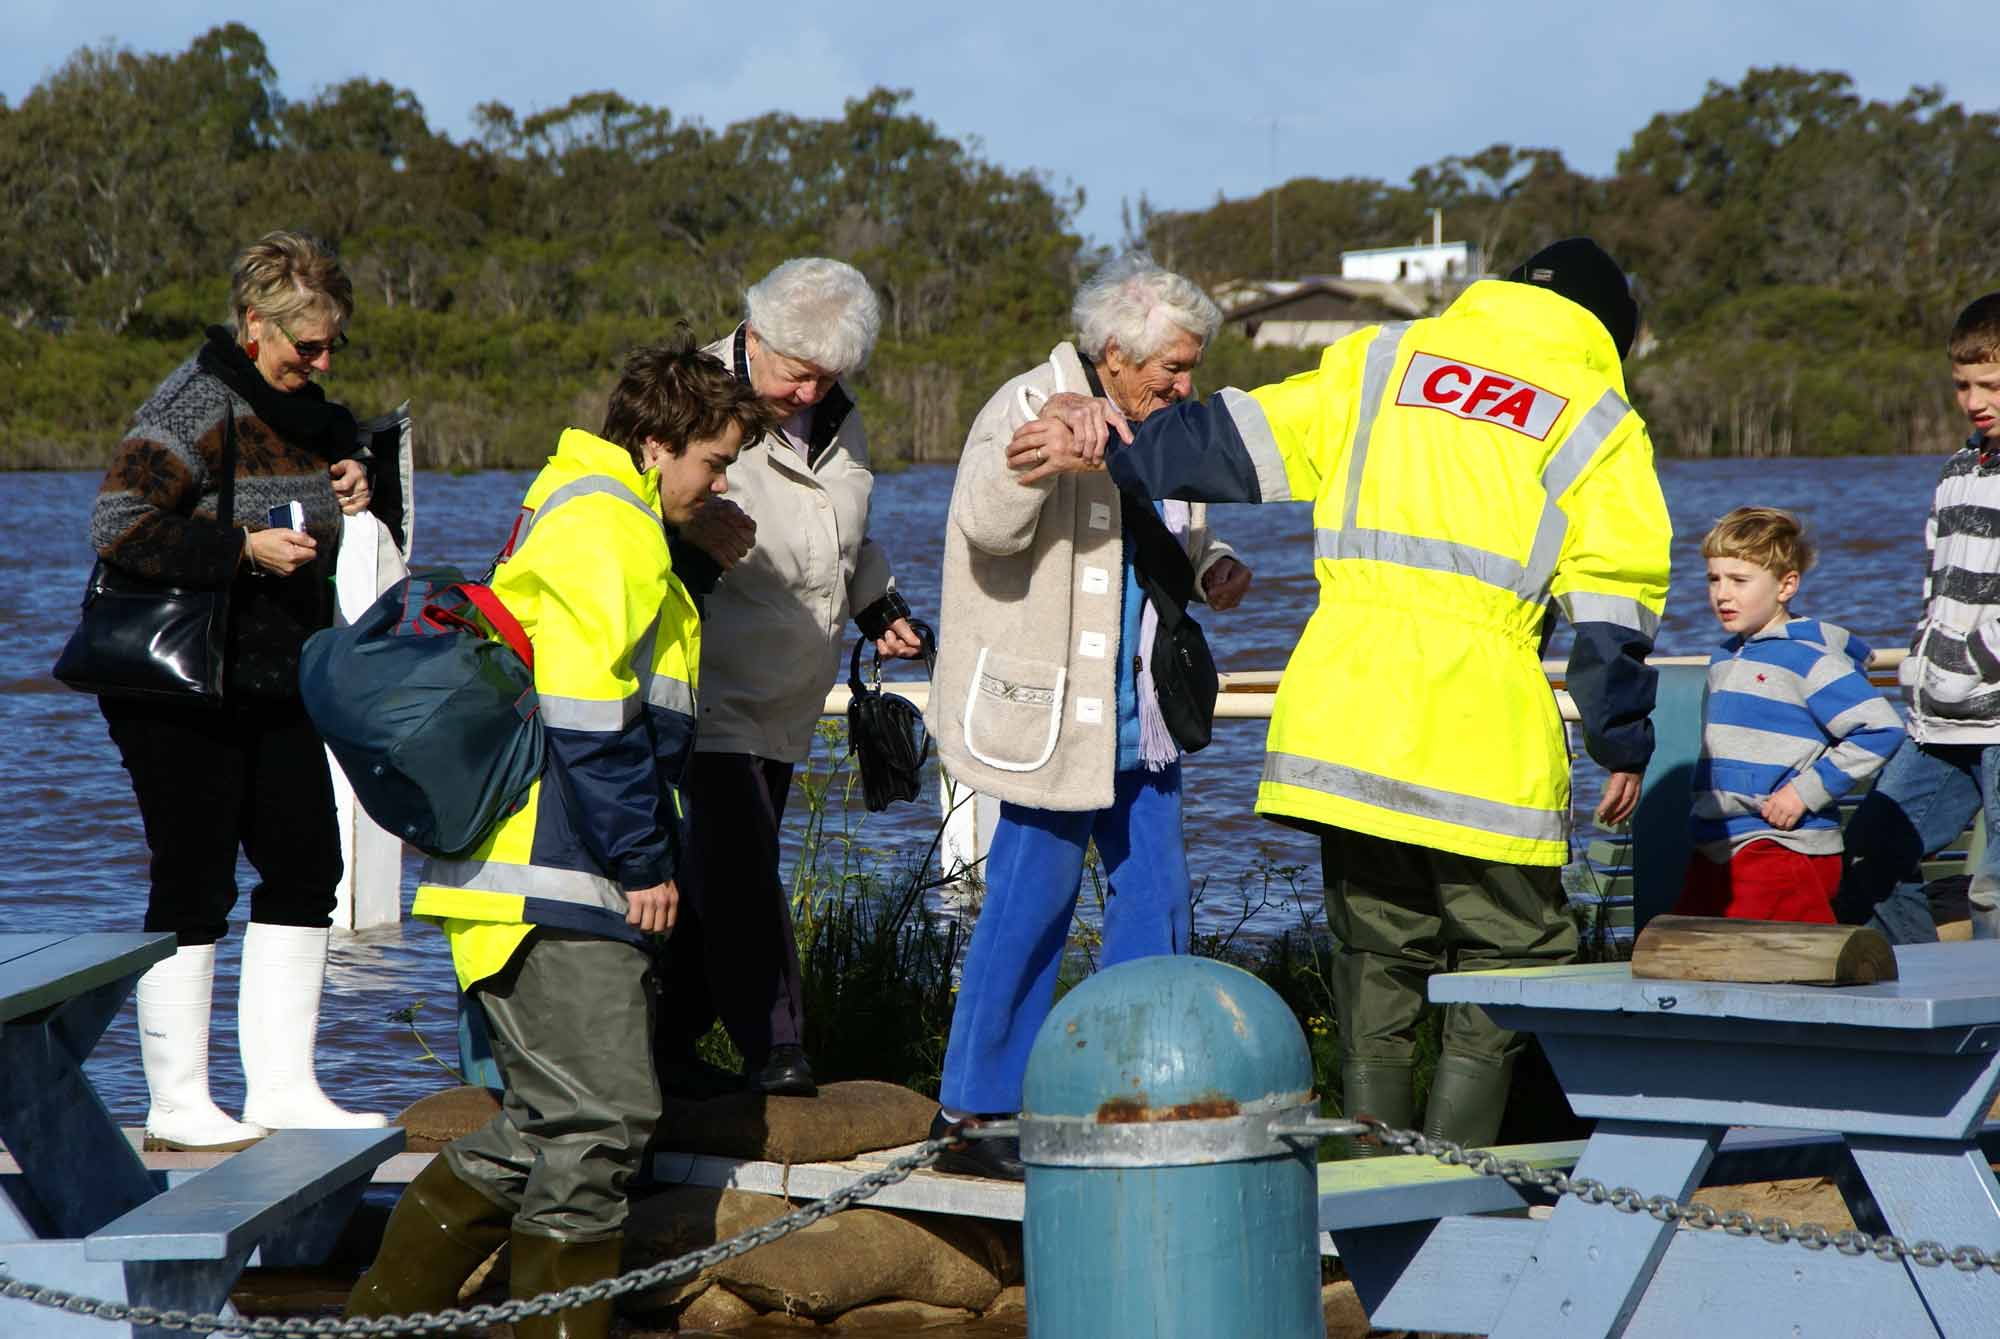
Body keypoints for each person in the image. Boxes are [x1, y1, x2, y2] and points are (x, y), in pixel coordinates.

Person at [1011, 237, 1671, 1150]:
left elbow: (1228, 441)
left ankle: (1372, 1178)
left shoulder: (1384, 361)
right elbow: (1612, 606)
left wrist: (1104, 447)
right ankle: (1460, 1172)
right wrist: (1621, 740)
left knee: (1378, 954)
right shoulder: (1598, 416)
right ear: (1609, 331)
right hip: (1480, 735)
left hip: (1346, 722)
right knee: (1520, 954)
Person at [347, 336, 777, 1338]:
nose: (716, 482)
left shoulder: (599, 510)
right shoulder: (607, 525)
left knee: (552, 1123)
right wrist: (644, 861)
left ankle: (372, 1319)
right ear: (657, 441)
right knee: (606, 1119)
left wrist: (693, 560)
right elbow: (588, 708)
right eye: (711, 462)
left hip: (531, 871)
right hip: (554, 873)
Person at [923, 254, 1252, 1179]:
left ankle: (1138, 1093)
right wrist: (1039, 465)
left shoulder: (1164, 421)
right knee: (1029, 906)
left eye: (1190, 368)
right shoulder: (1026, 402)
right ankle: (973, 1113)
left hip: (1139, 714)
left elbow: (1172, 526)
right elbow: (986, 526)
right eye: (1172, 369)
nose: (1187, 385)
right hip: (1055, 718)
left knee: (1159, 901)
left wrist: (1211, 560)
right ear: (1114, 352)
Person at [89, 230, 382, 1151]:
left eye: (334, 344)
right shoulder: (192, 402)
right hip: (176, 682)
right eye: (307, 345)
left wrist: (360, 477)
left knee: (307, 866)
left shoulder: (315, 413)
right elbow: (116, 522)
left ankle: (283, 1090)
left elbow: (335, 487)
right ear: (254, 324)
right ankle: (178, 1103)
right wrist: (239, 551)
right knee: (194, 877)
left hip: (278, 672)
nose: (323, 360)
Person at [660, 258, 923, 1098]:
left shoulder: (839, 417)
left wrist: (881, 607)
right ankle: (779, 1050)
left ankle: (665, 1044)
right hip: (708, 682)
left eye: (828, 377)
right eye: (797, 373)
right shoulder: (692, 398)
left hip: (790, 692)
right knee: (738, 868)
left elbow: (841, 534)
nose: (809, 393)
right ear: (756, 335)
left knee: (714, 877)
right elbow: (636, 511)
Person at [1837, 293, 2000, 943]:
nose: (1972, 400)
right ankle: (1911, 1000)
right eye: (1962, 384)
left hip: (1988, 703)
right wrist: (1925, 661)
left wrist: (1969, 662)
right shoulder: (1958, 471)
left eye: (1989, 384)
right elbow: (1939, 590)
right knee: (1869, 852)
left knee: (1991, 892)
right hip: (1941, 717)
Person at [1675, 507, 1904, 922]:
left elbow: (1881, 727)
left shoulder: (1806, 657)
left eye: (1739, 581)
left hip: (1783, 847)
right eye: (1714, 579)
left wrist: (1805, 792)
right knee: (1689, 955)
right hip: (1720, 841)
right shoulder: (1727, 656)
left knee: (1773, 968)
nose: (1722, 594)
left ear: (1786, 585)